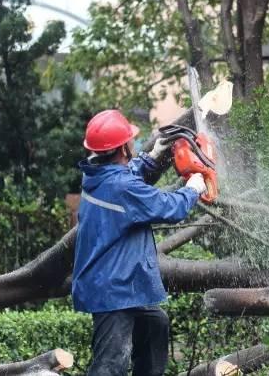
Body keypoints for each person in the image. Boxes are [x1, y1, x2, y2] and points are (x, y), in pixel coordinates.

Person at [72, 109, 206, 376]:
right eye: (130, 139)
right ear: (123, 147)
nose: (133, 142)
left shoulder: (98, 175)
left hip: (121, 282)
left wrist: (153, 156)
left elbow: (126, 173)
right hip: (112, 289)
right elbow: (169, 207)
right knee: (110, 366)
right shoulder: (121, 187)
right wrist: (193, 189)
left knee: (156, 324)